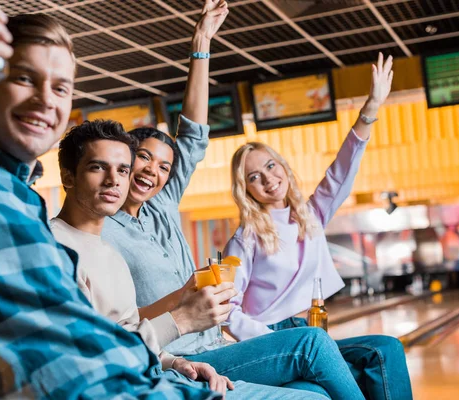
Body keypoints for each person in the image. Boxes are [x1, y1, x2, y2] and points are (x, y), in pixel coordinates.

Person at [0, 2, 217, 398]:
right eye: (24, 78)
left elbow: (87, 342)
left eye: (61, 87)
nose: (46, 99)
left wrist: (170, 362)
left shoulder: (20, 200)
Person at [100, 3, 367, 396]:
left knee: (318, 391)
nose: (152, 171)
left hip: (218, 346)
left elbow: (193, 134)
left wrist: (202, 45)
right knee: (312, 344)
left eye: (163, 166)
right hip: (182, 359)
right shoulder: (101, 229)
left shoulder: (162, 202)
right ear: (124, 159)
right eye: (143, 158)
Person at [50, 118, 323, 399]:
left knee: (311, 390)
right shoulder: (54, 250)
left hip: (167, 371)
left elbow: (128, 331)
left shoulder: (107, 250)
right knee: (312, 370)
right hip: (132, 388)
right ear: (68, 176)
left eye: (122, 170)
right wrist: (181, 319)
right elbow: (90, 357)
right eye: (97, 167)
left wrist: (177, 363)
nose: (113, 180)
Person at [223, 53, 413, 400]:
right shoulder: (245, 238)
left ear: (283, 166)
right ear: (246, 189)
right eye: (254, 177)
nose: (268, 179)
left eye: (270, 166)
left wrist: (370, 108)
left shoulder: (310, 214)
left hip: (313, 330)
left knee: (386, 348)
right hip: (275, 337)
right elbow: (226, 309)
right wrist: (267, 338)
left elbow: (340, 172)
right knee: (318, 392)